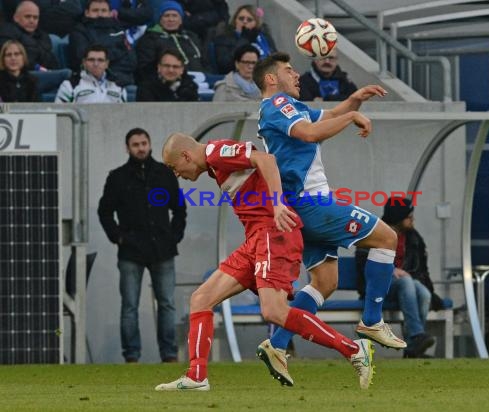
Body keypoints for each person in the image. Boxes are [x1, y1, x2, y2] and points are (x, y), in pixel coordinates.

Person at [154, 133, 374, 391]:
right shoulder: (214, 164)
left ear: (186, 155)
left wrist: (278, 204)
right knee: (201, 299)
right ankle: (196, 377)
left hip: (273, 233)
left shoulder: (215, 152)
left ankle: (353, 350)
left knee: (273, 311)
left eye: (173, 167)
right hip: (257, 240)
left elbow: (265, 159)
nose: (176, 174)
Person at [253, 52, 405, 384]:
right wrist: (351, 119)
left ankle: (277, 345)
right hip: (312, 203)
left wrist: (354, 101)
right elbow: (310, 133)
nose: (296, 75)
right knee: (387, 238)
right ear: (270, 79)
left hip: (299, 208)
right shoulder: (278, 104)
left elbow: (331, 114)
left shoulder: (286, 107)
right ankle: (372, 320)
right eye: (289, 71)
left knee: (325, 282)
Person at [98, 128, 187, 363]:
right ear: (127, 148)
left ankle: (169, 354)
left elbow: (179, 209)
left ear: (150, 144)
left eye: (144, 143)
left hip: (163, 249)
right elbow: (105, 212)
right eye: (135, 144)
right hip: (131, 251)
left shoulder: (164, 175)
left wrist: (174, 236)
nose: (140, 148)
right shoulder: (116, 177)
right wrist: (118, 238)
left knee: (167, 304)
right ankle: (132, 355)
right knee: (129, 306)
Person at [355, 197, 441, 358]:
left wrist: (431, 290)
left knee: (424, 294)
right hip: (378, 286)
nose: (413, 219)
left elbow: (422, 269)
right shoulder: (376, 231)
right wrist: (389, 270)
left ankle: (413, 348)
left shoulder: (414, 237)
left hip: (404, 286)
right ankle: (416, 335)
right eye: (409, 216)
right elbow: (362, 260)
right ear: (398, 217)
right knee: (406, 282)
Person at [69, 0, 138, 86]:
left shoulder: (118, 30)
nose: (100, 14)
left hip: (123, 78)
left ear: (109, 13)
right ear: (87, 13)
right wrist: (119, 50)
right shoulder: (79, 31)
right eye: (95, 10)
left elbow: (131, 61)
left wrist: (104, 52)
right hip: (91, 80)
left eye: (104, 11)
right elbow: (83, 56)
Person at [135, 1, 207, 82]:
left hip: (201, 81)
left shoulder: (192, 37)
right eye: (166, 16)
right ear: (160, 19)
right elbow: (145, 68)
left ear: (181, 20)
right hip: (165, 82)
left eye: (175, 16)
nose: (171, 19)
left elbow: (206, 63)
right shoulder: (149, 39)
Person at [209, 4, 276, 74]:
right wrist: (244, 39)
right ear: (235, 21)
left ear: (256, 23)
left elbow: (277, 58)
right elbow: (225, 65)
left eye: (249, 20)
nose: (244, 22)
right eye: (241, 19)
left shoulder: (264, 37)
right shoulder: (224, 38)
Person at [55, 45, 127, 103]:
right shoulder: (70, 85)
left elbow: (125, 114)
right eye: (91, 60)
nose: (96, 64)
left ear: (107, 64)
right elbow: (61, 115)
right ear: (84, 62)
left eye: (100, 60)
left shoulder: (118, 85)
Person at [0, 1, 60, 70]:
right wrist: (37, 68)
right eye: (27, 16)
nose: (32, 20)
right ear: (16, 18)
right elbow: (9, 60)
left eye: (35, 18)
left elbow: (51, 61)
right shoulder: (7, 32)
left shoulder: (43, 37)